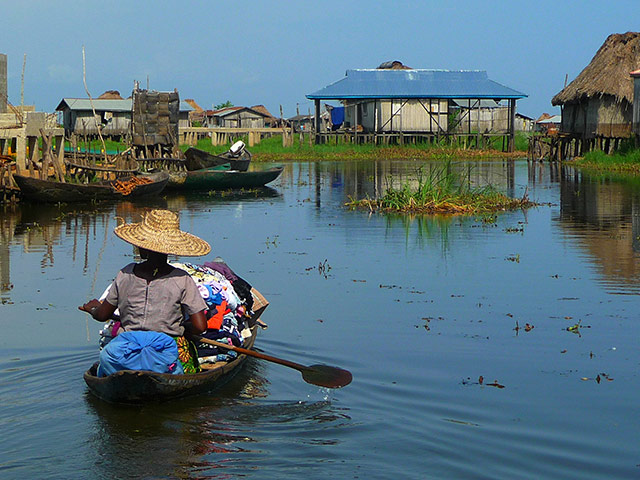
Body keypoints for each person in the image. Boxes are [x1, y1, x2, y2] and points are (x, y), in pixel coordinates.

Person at [79, 209, 211, 375]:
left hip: (125, 352)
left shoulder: (125, 273)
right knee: (186, 363)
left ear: (143, 249)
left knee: (108, 358)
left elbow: (102, 315)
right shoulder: (182, 279)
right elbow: (200, 326)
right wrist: (181, 328)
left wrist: (92, 308)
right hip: (164, 351)